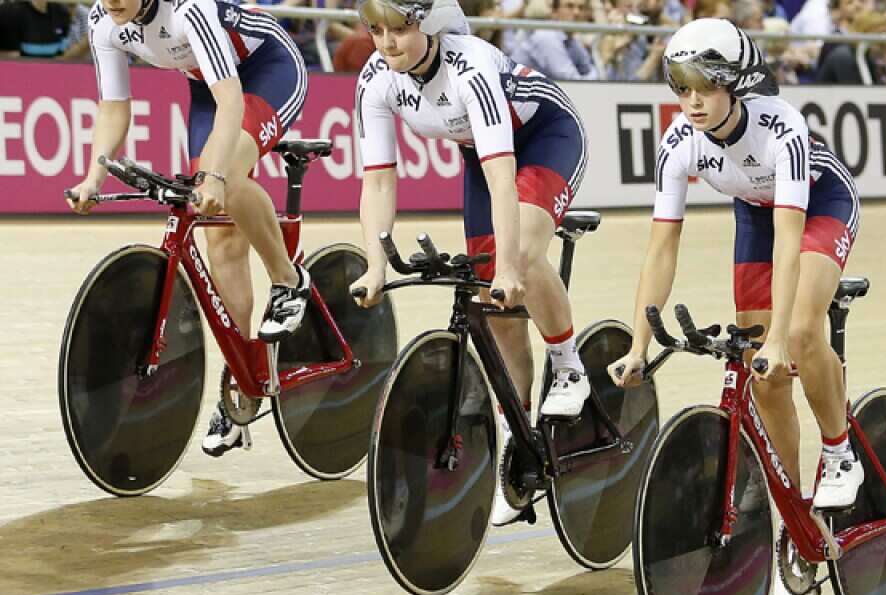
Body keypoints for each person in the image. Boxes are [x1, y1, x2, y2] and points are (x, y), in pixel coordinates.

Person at [608, 18, 863, 595]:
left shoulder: (784, 130)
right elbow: (661, 246)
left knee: (797, 333)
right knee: (763, 378)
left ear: (736, 83)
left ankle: (838, 448)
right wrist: (640, 344)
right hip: (754, 212)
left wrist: (778, 335)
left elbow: (789, 240)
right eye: (681, 86)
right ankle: (797, 516)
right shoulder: (680, 140)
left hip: (818, 207)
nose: (691, 100)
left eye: (704, 86)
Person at [346, 0, 591, 525]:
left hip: (544, 136)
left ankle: (569, 365)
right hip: (477, 154)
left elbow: (505, 176)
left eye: (399, 29)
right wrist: (375, 264)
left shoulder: (470, 67)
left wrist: (508, 267)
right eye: (376, 30)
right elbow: (378, 181)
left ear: (428, 25)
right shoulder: (375, 79)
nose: (387, 42)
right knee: (492, 305)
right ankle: (517, 433)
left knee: (519, 255)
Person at [66, 0, 313, 457]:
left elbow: (232, 101)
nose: (112, 0)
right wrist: (92, 177)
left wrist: (217, 175)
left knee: (227, 177)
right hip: (207, 84)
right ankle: (243, 383)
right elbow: (114, 108)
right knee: (219, 235)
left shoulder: (190, 10)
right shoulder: (103, 20)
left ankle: (289, 279)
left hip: (265, 70)